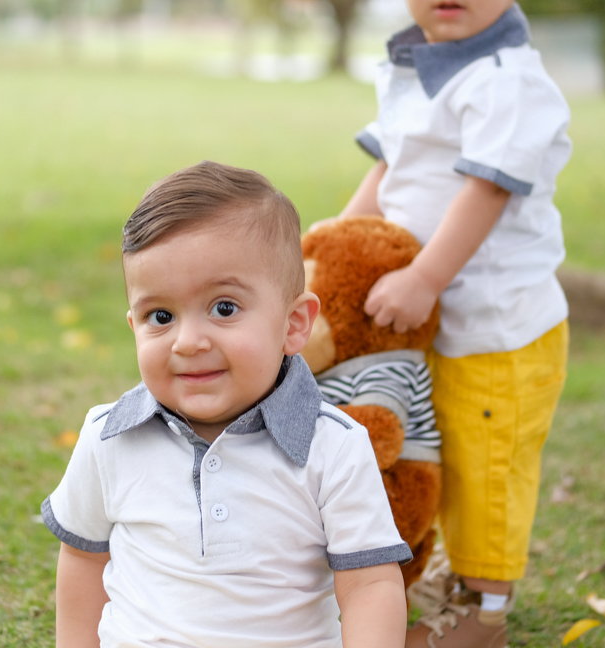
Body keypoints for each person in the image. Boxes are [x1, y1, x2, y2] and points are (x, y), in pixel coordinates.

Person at [333, 0, 573, 645]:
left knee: (488, 466)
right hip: (438, 321)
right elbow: (387, 176)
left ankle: (486, 612)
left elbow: (487, 190)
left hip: (499, 328)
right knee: (446, 453)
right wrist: (332, 249)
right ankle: (455, 581)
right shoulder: (414, 67)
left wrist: (426, 276)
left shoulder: (509, 78)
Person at [44, 161, 412, 648]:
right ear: (134, 326)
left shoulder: (334, 447)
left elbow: (370, 585)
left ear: (294, 324)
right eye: (161, 315)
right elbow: (85, 561)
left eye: (224, 308)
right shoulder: (109, 436)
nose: (188, 341)